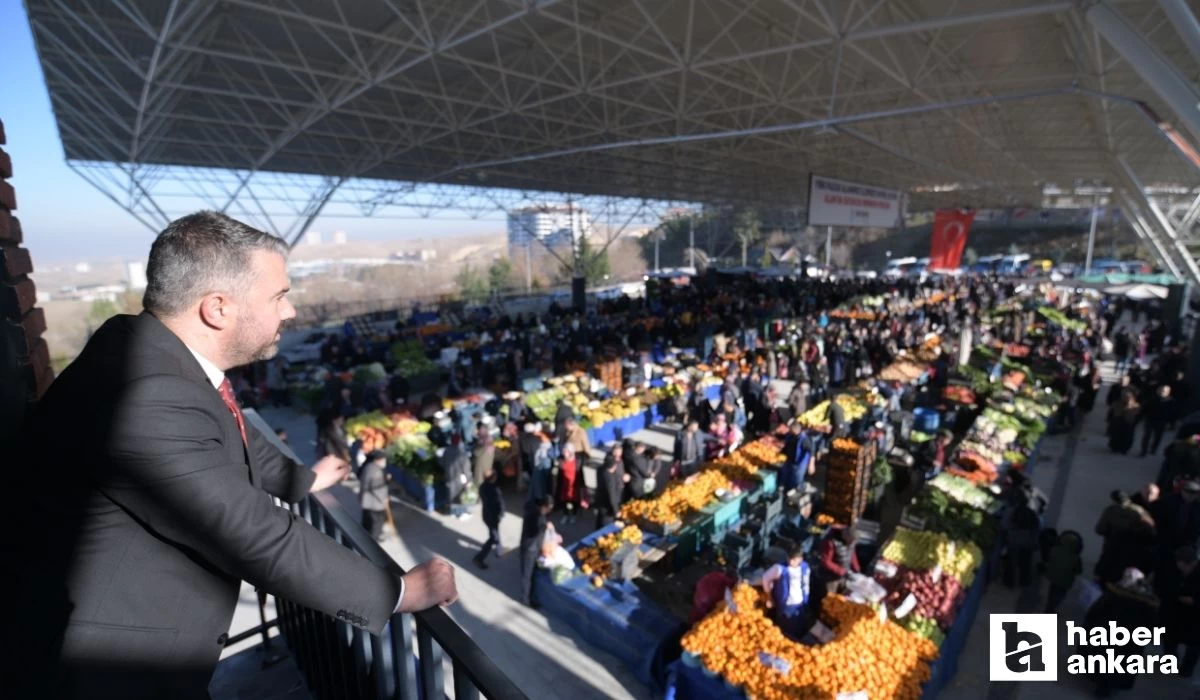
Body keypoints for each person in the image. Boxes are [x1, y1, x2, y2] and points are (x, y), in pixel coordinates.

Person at [13, 211, 456, 699]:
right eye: (279, 296)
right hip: (106, 674)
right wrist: (397, 592)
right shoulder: (147, 394)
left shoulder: (151, 349)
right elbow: (255, 534)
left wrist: (303, 481)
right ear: (218, 308)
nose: (290, 312)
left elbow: (232, 431)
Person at [1085, 568, 1159, 697]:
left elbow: (1097, 611)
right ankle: (1110, 685)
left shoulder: (1114, 593)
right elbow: (1151, 623)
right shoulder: (1146, 602)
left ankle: (1102, 685)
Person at [1155, 545, 1200, 678]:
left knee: (1193, 644)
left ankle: (1186, 668)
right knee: (1169, 637)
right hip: (1175, 609)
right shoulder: (1175, 569)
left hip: (1194, 614)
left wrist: (1194, 601)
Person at [761, 547, 812, 642]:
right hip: (786, 605)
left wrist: (806, 600)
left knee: (799, 628)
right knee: (785, 632)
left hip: (800, 605)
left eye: (794, 560)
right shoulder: (779, 568)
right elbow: (765, 578)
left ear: (800, 559)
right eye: (789, 559)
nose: (791, 562)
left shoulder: (805, 568)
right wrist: (769, 597)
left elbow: (806, 584)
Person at [520, 495, 555, 608]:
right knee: (527, 574)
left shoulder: (536, 510)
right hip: (530, 548)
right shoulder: (536, 516)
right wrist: (545, 526)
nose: (550, 510)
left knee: (532, 572)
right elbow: (535, 529)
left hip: (533, 546)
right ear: (545, 506)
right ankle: (526, 599)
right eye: (550, 508)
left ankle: (530, 595)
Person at [1043, 530, 1083, 613]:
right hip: (1065, 581)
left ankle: (1048, 607)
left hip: (1053, 576)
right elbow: (1078, 571)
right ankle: (1050, 610)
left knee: (1052, 592)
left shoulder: (1055, 549)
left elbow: (1049, 560)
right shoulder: (1075, 557)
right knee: (1059, 595)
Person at [473, 470, 505, 569]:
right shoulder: (495, 490)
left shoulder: (482, 487)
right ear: (493, 478)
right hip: (493, 518)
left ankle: (499, 549)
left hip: (486, 516)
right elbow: (499, 504)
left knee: (495, 532)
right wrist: (501, 514)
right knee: (492, 537)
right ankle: (479, 558)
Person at [817, 526, 861, 591]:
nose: (852, 543)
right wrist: (841, 571)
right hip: (830, 578)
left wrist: (856, 568)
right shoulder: (831, 542)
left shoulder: (851, 542)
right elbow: (825, 561)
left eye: (853, 542)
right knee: (829, 597)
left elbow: (851, 553)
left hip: (843, 576)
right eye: (851, 541)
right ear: (845, 536)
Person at [360, 450, 391, 542]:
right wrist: (384, 499)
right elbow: (377, 488)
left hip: (367, 502)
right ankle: (374, 541)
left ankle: (366, 538)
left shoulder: (368, 467)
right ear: (379, 460)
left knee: (367, 523)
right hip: (375, 503)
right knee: (376, 524)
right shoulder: (376, 471)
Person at [595, 444, 626, 530]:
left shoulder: (601, 469)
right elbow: (611, 496)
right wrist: (616, 511)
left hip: (601, 501)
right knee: (605, 525)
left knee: (599, 521)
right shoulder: (610, 479)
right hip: (607, 507)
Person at [779, 421, 814, 494]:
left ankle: (802, 489)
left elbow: (811, 451)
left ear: (796, 430)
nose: (789, 431)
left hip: (800, 463)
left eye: (791, 429)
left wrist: (811, 464)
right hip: (789, 460)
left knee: (797, 480)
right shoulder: (790, 435)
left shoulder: (804, 439)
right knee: (786, 477)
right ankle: (787, 492)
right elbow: (786, 445)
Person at [1141, 384, 1174, 458]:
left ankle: (1153, 449)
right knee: (1147, 435)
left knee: (1158, 437)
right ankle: (1143, 451)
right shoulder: (1152, 398)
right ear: (1158, 391)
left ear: (1168, 392)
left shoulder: (1170, 401)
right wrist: (1142, 416)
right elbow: (1145, 408)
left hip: (1161, 421)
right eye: (1162, 390)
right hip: (1150, 419)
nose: (1163, 392)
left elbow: (1172, 413)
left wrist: (1171, 422)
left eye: (1165, 391)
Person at [556, 443, 584, 523]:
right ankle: (565, 515)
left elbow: (581, 475)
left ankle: (574, 515)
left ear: (571, 452)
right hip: (564, 485)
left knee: (574, 501)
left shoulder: (577, 461)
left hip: (574, 485)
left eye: (566, 451)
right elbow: (559, 474)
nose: (564, 453)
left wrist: (582, 486)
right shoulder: (561, 460)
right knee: (564, 500)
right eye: (564, 451)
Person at [473, 419, 496, 486]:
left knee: (480, 482)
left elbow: (476, 452)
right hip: (488, 463)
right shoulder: (489, 438)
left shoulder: (482, 440)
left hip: (481, 463)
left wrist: (475, 447)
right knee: (488, 480)